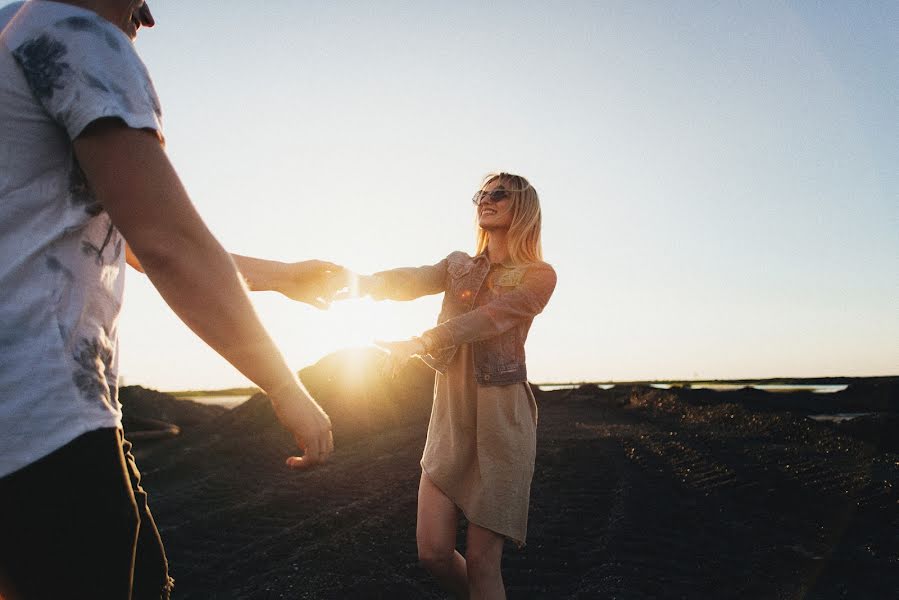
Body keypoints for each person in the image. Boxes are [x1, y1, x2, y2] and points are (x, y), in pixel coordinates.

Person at [0, 1, 340, 598]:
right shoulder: (77, 38)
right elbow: (168, 244)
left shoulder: (10, 34)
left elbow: (139, 235)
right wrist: (285, 388)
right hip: (44, 429)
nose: (147, 15)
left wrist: (285, 277)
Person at [358, 173, 556, 599]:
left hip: (502, 421)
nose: (485, 200)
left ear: (522, 207)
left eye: (498, 193)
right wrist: (361, 283)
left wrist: (424, 341)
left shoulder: (538, 275)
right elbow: (413, 279)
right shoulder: (457, 265)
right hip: (450, 415)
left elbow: (491, 319)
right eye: (480, 195)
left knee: (484, 562)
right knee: (433, 552)